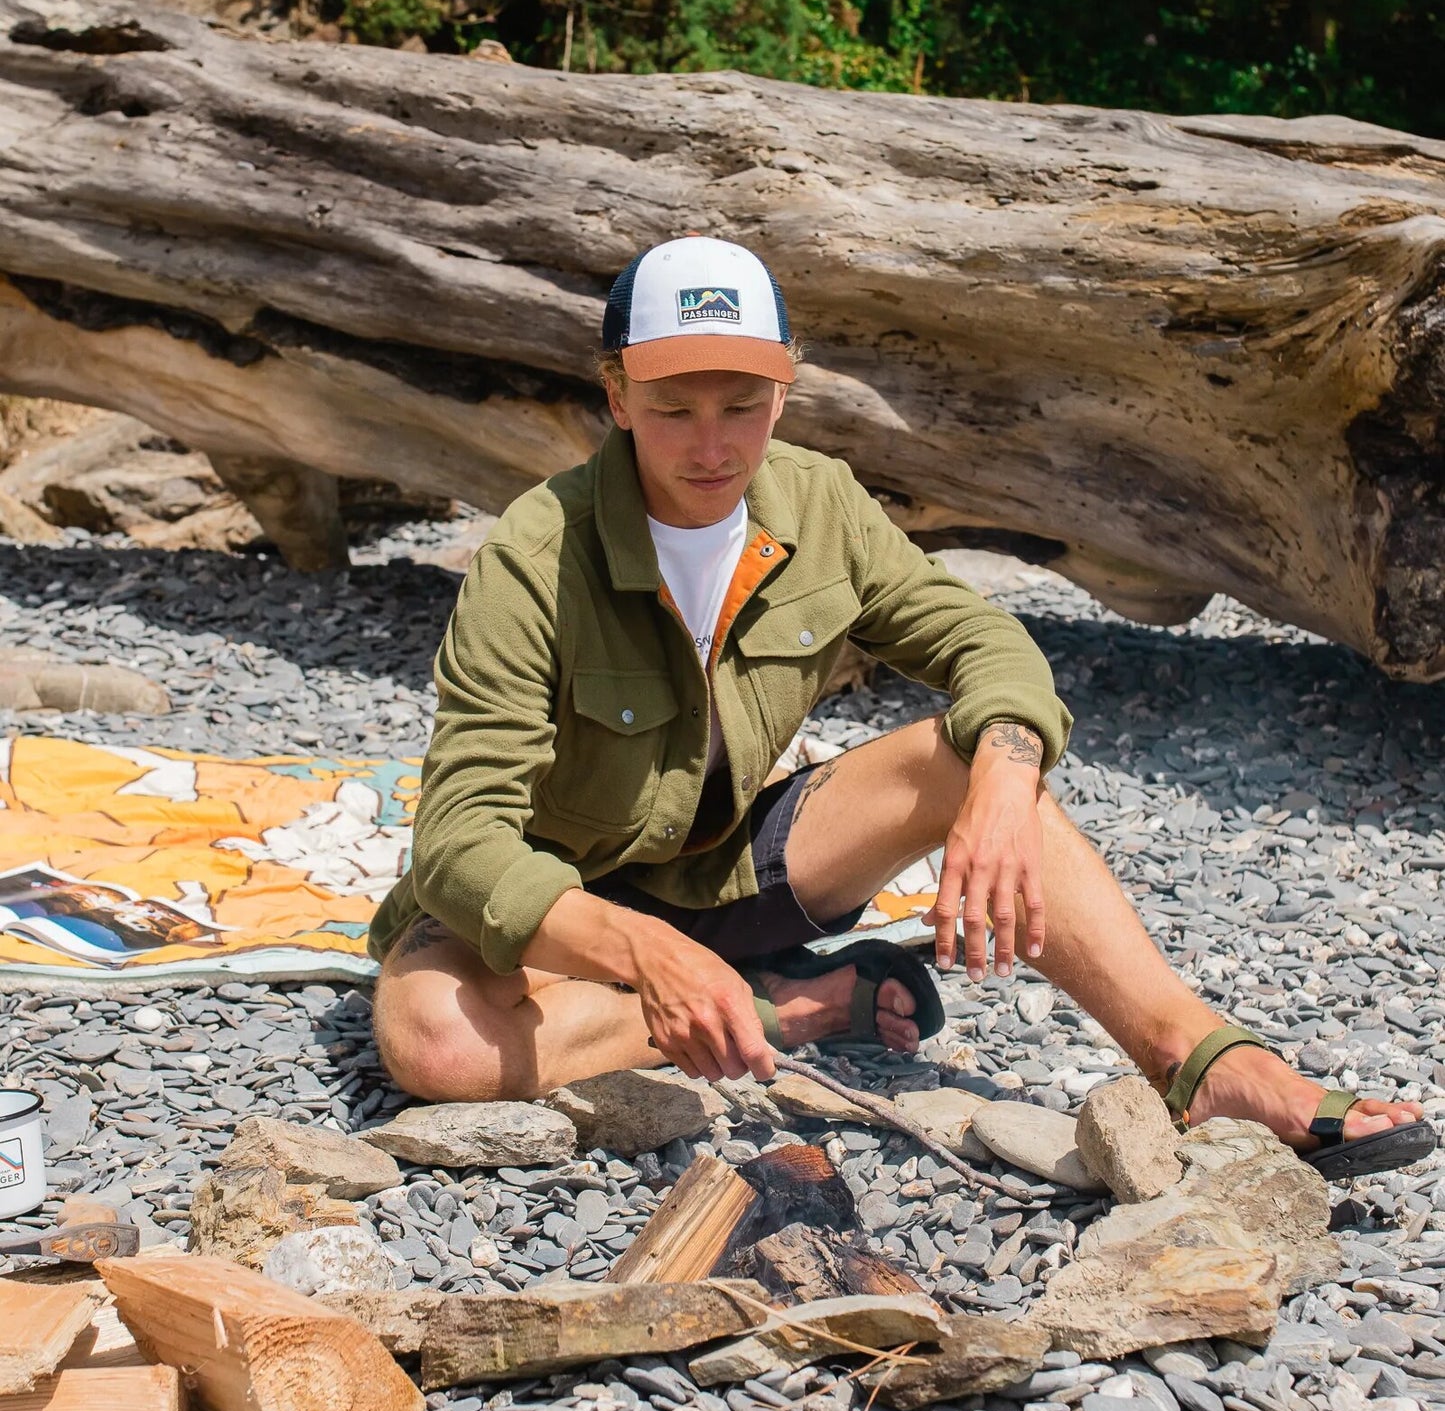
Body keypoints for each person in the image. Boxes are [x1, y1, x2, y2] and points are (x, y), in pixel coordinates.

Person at [369, 236, 1430, 1182]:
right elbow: (459, 842)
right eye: (673, 408)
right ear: (616, 394)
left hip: (721, 870)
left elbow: (984, 644)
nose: (711, 446)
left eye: (742, 405)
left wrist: (1005, 775)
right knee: (435, 1045)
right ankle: (783, 1004)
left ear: (783, 390)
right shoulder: (533, 558)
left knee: (969, 758)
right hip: (560, 913)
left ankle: (1197, 1060)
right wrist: (642, 954)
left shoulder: (820, 503)